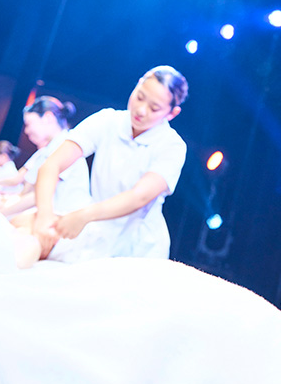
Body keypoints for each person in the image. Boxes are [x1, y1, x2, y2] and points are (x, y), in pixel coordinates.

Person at [20, 65, 189, 263]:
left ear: (172, 113)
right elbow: (52, 165)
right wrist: (44, 216)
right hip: (96, 231)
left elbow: (139, 197)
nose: (141, 110)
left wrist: (85, 215)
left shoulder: (172, 145)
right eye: (140, 97)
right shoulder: (108, 120)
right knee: (25, 225)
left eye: (154, 108)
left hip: (138, 248)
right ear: (136, 86)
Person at [0, 96, 90, 218]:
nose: (26, 131)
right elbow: (29, 192)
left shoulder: (66, 146)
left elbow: (39, 195)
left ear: (48, 118)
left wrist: (1, 213)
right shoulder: (48, 149)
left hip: (65, 219)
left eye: (28, 124)